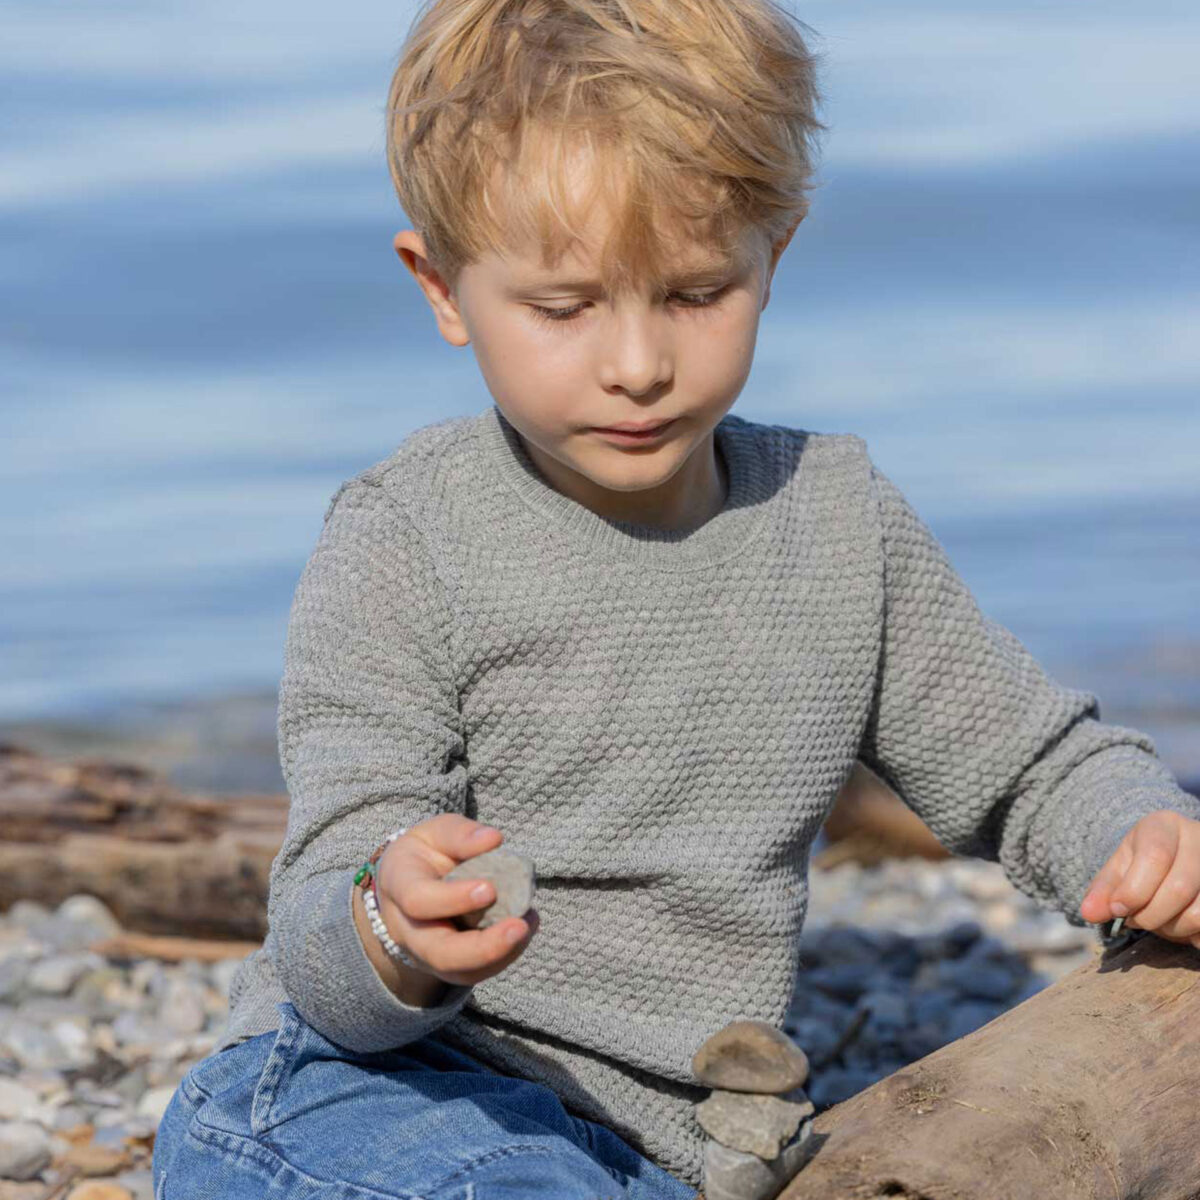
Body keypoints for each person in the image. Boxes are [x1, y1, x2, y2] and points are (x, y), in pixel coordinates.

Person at [151, 1, 1200, 1196]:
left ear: (775, 256)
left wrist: (1143, 833)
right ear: (441, 287)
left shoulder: (834, 520)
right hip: (378, 1080)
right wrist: (394, 922)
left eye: (698, 294)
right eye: (564, 308)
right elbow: (335, 897)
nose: (639, 364)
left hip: (662, 1143)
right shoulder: (409, 535)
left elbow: (1032, 763)